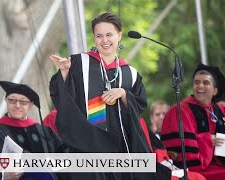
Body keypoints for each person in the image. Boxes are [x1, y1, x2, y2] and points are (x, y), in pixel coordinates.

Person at [49, 12, 168, 180]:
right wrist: (65, 71)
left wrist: (124, 94)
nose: (104, 40)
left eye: (109, 35)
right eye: (99, 36)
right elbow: (60, 95)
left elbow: (140, 105)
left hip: (121, 147)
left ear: (119, 35)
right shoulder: (79, 63)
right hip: (88, 147)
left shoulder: (130, 73)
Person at [161, 64, 225, 179]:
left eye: (206, 83)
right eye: (196, 82)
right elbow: (180, 147)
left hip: (220, 164)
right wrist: (207, 140)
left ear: (215, 91)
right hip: (195, 168)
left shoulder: (220, 110)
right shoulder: (181, 110)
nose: (200, 86)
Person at [0, 81, 64, 180]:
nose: (17, 105)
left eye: (23, 102)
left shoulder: (45, 132)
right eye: (12, 100)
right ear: (6, 101)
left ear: (30, 105)